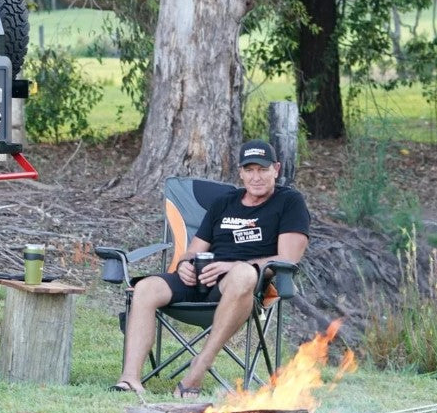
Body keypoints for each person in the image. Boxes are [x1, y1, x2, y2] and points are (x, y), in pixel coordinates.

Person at [110, 139, 311, 397]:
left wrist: (231, 265)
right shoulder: (224, 203)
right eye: (249, 170)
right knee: (146, 287)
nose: (256, 177)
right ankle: (129, 380)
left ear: (276, 169)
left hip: (242, 287)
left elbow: (288, 259)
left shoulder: (289, 201)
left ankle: (198, 368)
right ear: (240, 172)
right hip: (199, 278)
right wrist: (184, 264)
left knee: (243, 274)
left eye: (262, 169)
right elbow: (193, 250)